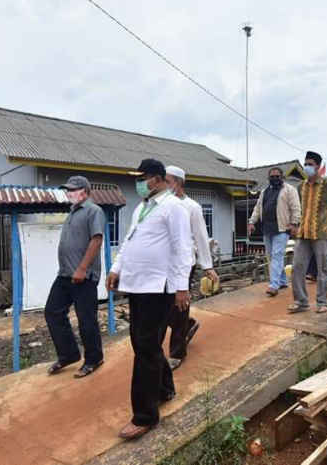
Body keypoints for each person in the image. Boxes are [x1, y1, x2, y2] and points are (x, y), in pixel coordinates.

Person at [107, 159, 193, 440]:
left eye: (142, 178)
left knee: (144, 346)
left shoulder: (174, 208)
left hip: (159, 287)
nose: (138, 183)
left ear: (156, 179)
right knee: (146, 343)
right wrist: (116, 268)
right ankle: (165, 389)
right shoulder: (142, 208)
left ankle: (145, 415)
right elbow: (129, 241)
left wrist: (182, 287)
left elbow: (182, 249)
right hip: (138, 285)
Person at [44, 175, 105, 378]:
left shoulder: (93, 211)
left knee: (86, 319)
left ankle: (94, 359)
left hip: (84, 276)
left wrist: (82, 269)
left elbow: (96, 240)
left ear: (85, 192)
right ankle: (69, 354)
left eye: (73, 190)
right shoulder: (72, 212)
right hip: (65, 275)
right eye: (67, 190)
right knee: (52, 312)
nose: (69, 193)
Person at [164, 166, 218, 370]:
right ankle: (187, 325)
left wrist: (208, 266)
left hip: (184, 263)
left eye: (167, 181)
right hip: (163, 264)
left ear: (177, 183)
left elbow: (201, 236)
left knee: (179, 306)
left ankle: (177, 352)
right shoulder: (160, 205)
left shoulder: (192, 207)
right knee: (163, 306)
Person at [288, 151, 327, 314]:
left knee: (323, 268)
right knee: (297, 266)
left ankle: (322, 302)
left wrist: (326, 223)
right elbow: (298, 208)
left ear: (318, 166)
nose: (307, 167)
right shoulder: (300, 186)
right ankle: (301, 301)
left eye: (310, 164)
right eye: (306, 164)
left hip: (322, 233)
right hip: (303, 233)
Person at [247, 167, 301, 296]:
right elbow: (258, 208)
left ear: (282, 177)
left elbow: (296, 208)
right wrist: (251, 222)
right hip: (267, 229)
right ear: (268, 178)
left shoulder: (289, 190)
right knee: (272, 256)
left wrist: (294, 223)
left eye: (277, 176)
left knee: (277, 255)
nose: (275, 178)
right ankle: (282, 281)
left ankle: (273, 285)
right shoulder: (264, 191)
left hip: (283, 228)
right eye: (272, 176)